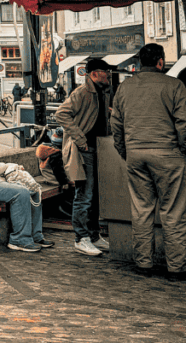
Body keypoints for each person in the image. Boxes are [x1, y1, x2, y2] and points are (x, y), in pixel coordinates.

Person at [110, 43, 186, 277]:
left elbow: (116, 124)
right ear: (160, 62)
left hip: (135, 155)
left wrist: (126, 152)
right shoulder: (175, 85)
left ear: (140, 62)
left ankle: (143, 263)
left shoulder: (125, 87)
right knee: (173, 212)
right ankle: (176, 267)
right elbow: (183, 124)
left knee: (141, 210)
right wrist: (182, 151)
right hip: (168, 155)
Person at [54, 57, 115, 257]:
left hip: (99, 148)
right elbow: (61, 114)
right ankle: (81, 238)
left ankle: (94, 236)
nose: (109, 76)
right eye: (106, 72)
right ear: (94, 74)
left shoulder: (102, 92)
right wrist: (80, 139)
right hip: (85, 150)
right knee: (85, 195)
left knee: (95, 196)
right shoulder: (81, 92)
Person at [0, 140, 55, 252]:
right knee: (21, 192)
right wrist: (8, 166)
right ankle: (19, 239)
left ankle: (35, 235)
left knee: (34, 188)